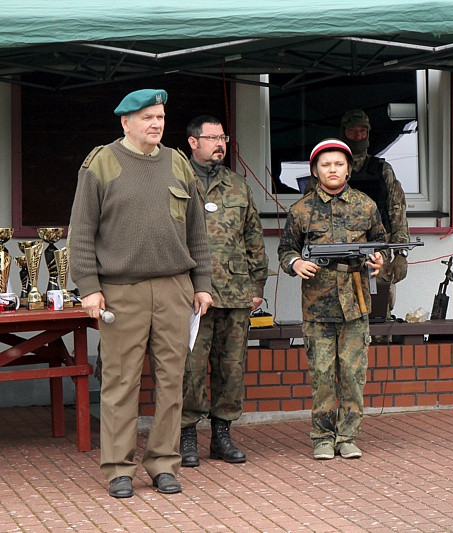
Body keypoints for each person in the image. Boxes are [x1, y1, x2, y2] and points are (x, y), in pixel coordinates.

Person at [69, 89, 213, 498]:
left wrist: (202, 285)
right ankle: (119, 469)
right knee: (120, 382)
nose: (156, 124)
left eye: (161, 117)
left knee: (172, 381)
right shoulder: (102, 163)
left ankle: (164, 464)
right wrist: (89, 289)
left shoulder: (177, 162)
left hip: (174, 290)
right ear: (125, 122)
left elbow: (197, 233)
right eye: (147, 116)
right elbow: (80, 232)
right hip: (121, 292)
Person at [278, 138, 386, 460]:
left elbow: (380, 241)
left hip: (356, 304)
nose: (333, 169)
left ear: (349, 169)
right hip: (317, 307)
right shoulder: (301, 210)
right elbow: (286, 249)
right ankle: (323, 438)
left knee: (353, 375)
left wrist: (380, 259)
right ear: (315, 170)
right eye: (326, 165)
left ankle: (348, 437)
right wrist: (295, 263)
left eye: (339, 164)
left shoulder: (366, 205)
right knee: (322, 376)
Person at [180, 115, 268, 467]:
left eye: (223, 138)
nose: (220, 144)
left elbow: (253, 237)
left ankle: (222, 436)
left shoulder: (237, 185)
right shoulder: (175, 179)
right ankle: (186, 436)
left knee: (231, 367)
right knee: (190, 366)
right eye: (212, 137)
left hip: (235, 292)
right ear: (192, 142)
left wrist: (257, 284)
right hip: (190, 294)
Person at [308, 110, 409, 317]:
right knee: (336, 314)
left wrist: (401, 254)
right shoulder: (328, 171)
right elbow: (308, 216)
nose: (358, 136)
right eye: (352, 131)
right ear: (343, 132)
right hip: (335, 255)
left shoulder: (382, 170)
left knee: (379, 314)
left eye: (362, 131)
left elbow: (397, 214)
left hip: (377, 253)